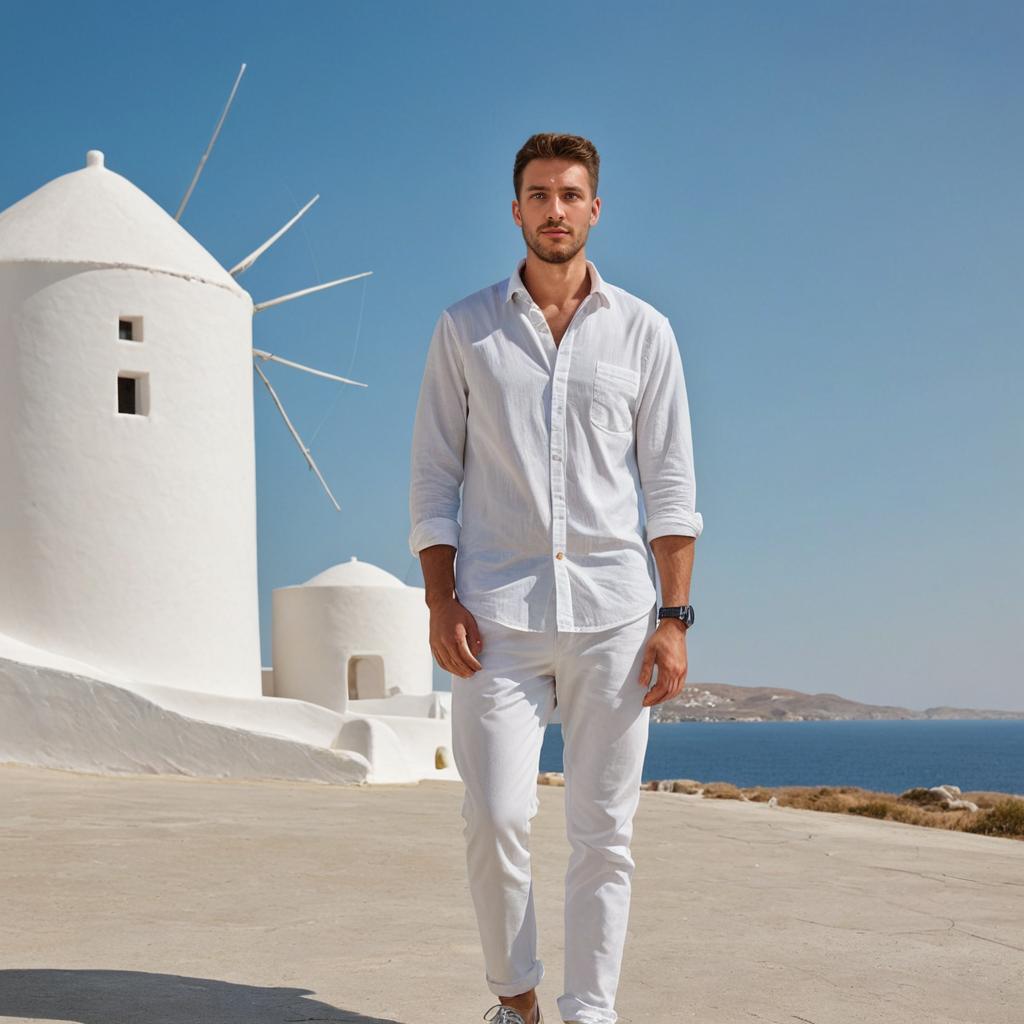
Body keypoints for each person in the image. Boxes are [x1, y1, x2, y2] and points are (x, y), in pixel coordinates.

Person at [408, 132, 703, 1024]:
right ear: (516, 211)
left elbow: (672, 485)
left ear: (595, 209)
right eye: (538, 195)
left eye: (571, 194)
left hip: (615, 612)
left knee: (603, 833)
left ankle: (589, 1011)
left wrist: (675, 615)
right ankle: (516, 997)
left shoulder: (645, 331)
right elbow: (434, 474)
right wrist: (440, 596)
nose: (555, 210)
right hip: (495, 614)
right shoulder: (465, 329)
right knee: (495, 817)